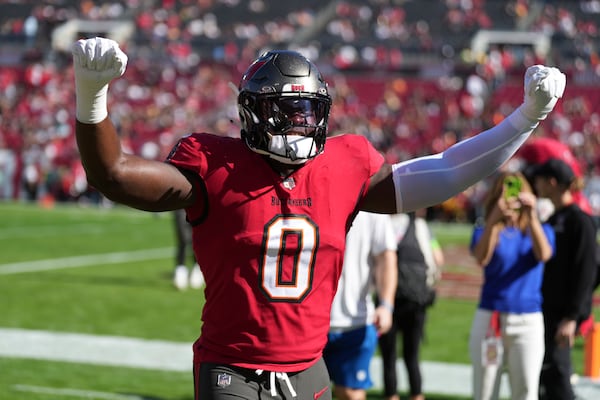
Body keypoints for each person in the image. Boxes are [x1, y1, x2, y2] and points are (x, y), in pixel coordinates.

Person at [70, 36, 565, 400]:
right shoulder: (213, 164)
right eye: (287, 110)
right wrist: (92, 96)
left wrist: (526, 118)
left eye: (308, 109)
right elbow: (113, 175)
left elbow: (447, 171)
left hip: (310, 368)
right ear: (252, 114)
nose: (301, 122)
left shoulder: (344, 165)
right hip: (233, 369)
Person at [468, 171, 555, 400]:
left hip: (528, 320)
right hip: (491, 319)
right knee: (485, 390)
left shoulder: (539, 229)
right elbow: (481, 258)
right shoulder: (485, 228)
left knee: (526, 391)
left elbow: (544, 253)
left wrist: (532, 216)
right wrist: (494, 220)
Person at [531, 158, 598, 400]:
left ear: (552, 182)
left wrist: (572, 317)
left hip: (562, 316)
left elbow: (588, 272)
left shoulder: (579, 221)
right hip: (546, 310)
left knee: (558, 377)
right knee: (545, 377)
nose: (535, 184)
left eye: (539, 179)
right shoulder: (554, 218)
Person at [324, 211, 397, 400]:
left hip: (354, 321)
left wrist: (386, 304)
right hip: (308, 322)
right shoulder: (311, 189)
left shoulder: (371, 202)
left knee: (351, 394)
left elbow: (386, 256)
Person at [378, 209, 445, 400]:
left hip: (386, 300)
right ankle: (417, 394)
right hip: (416, 300)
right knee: (412, 355)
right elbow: (437, 258)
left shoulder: (383, 222)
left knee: (388, 357)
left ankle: (391, 394)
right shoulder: (420, 225)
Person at [172, 208, 205, 290]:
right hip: (180, 204)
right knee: (182, 237)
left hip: (197, 202)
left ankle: (197, 267)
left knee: (197, 235)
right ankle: (180, 269)